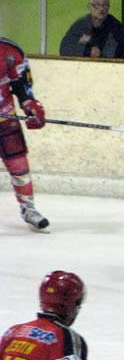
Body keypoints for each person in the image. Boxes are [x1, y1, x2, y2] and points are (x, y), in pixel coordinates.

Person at [0, 38, 48, 232]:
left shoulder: (10, 52)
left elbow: (22, 87)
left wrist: (30, 106)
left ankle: (28, 208)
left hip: (5, 118)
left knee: (19, 165)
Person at [58, 0, 124, 59]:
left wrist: (90, 40)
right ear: (89, 7)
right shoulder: (81, 24)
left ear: (108, 7)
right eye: (97, 5)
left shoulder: (115, 26)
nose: (101, 9)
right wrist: (88, 51)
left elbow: (109, 55)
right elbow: (64, 49)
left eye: (105, 5)